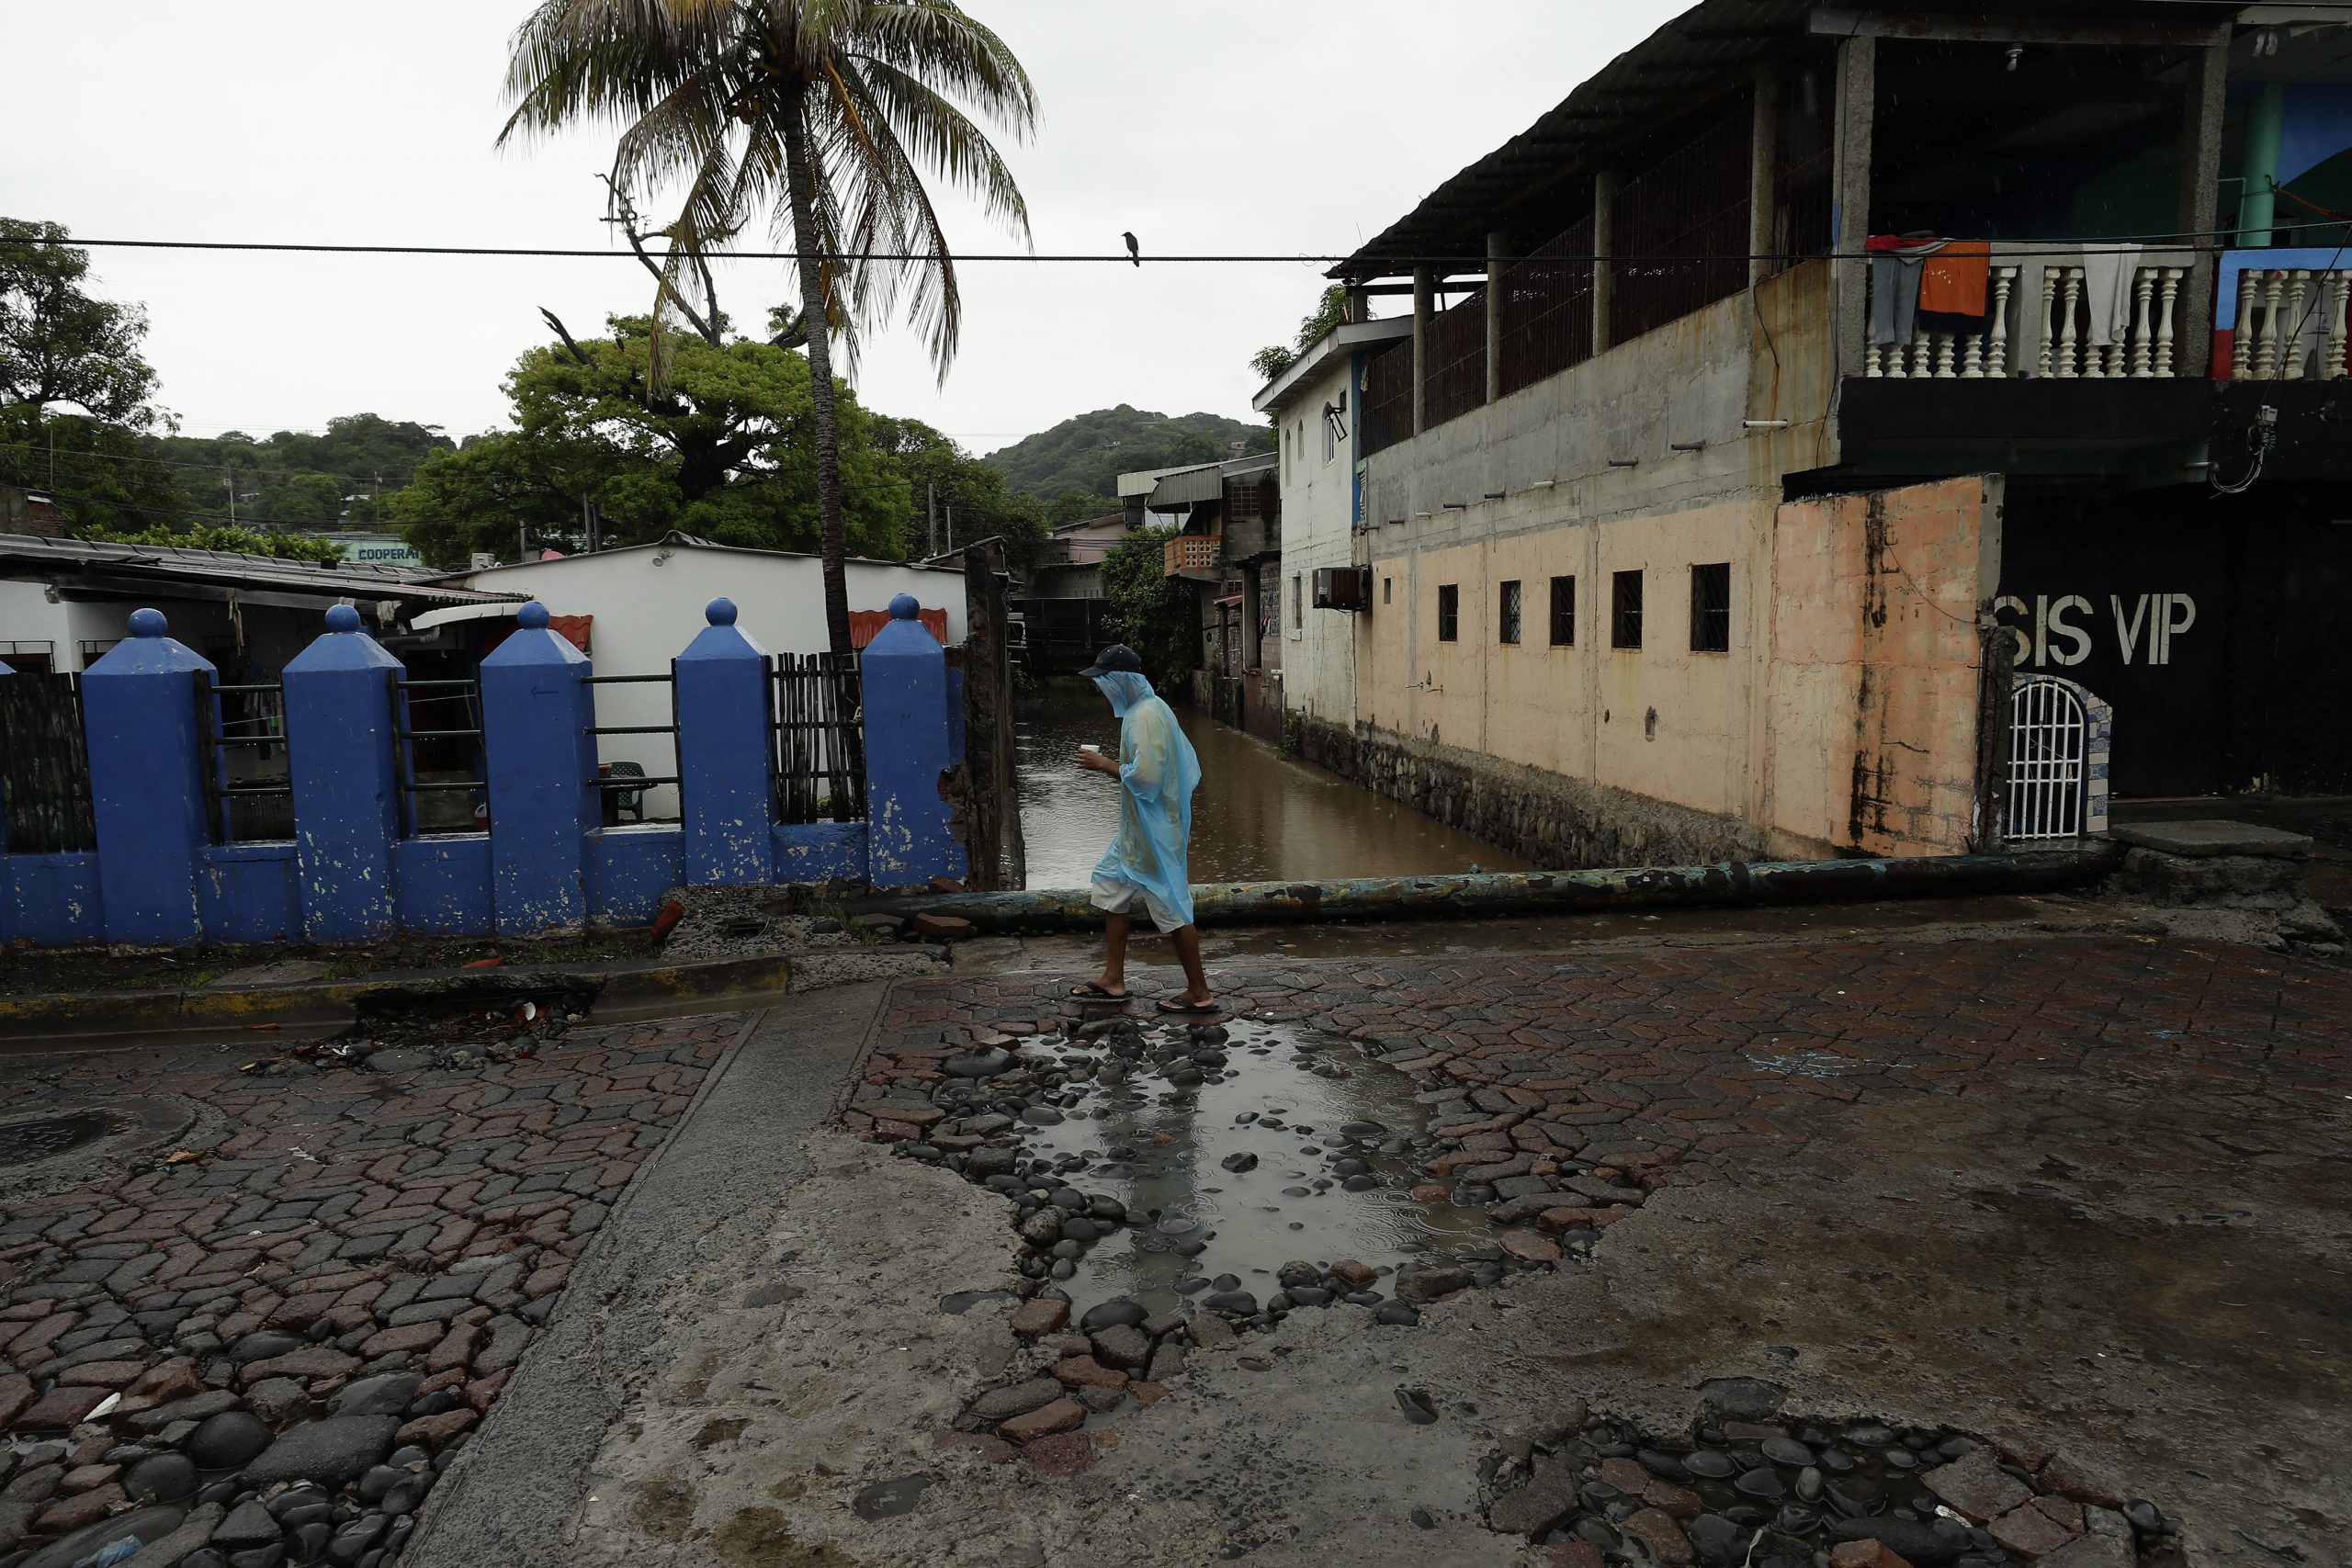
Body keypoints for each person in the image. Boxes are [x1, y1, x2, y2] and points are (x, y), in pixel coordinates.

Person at [1069, 645, 1215, 1013]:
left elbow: (1148, 778)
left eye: (1104, 680)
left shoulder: (1144, 717)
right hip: (1139, 828)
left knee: (1171, 905)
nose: (1102, 688)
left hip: (1153, 831)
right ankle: (1112, 980)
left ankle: (1199, 993)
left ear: (1120, 680)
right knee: (1109, 881)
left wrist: (1104, 764)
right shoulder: (1151, 708)